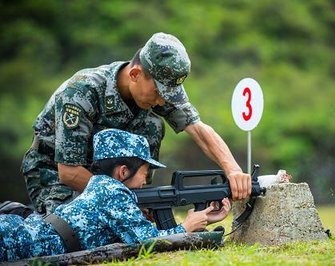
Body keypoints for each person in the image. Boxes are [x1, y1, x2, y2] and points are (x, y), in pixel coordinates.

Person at [21, 32, 250, 215]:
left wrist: (233, 170)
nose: (162, 100)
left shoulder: (156, 90)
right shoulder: (81, 92)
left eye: (168, 93)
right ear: (135, 75)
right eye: (158, 91)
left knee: (153, 124)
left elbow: (198, 129)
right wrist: (124, 202)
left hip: (110, 179)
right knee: (79, 230)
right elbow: (68, 172)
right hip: (56, 174)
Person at [0, 129, 230, 262]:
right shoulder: (114, 191)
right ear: (123, 171)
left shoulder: (100, 185)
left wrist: (204, 218)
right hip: (22, 241)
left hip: (24, 234)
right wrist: (187, 226)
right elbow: (148, 243)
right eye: (145, 172)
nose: (145, 180)